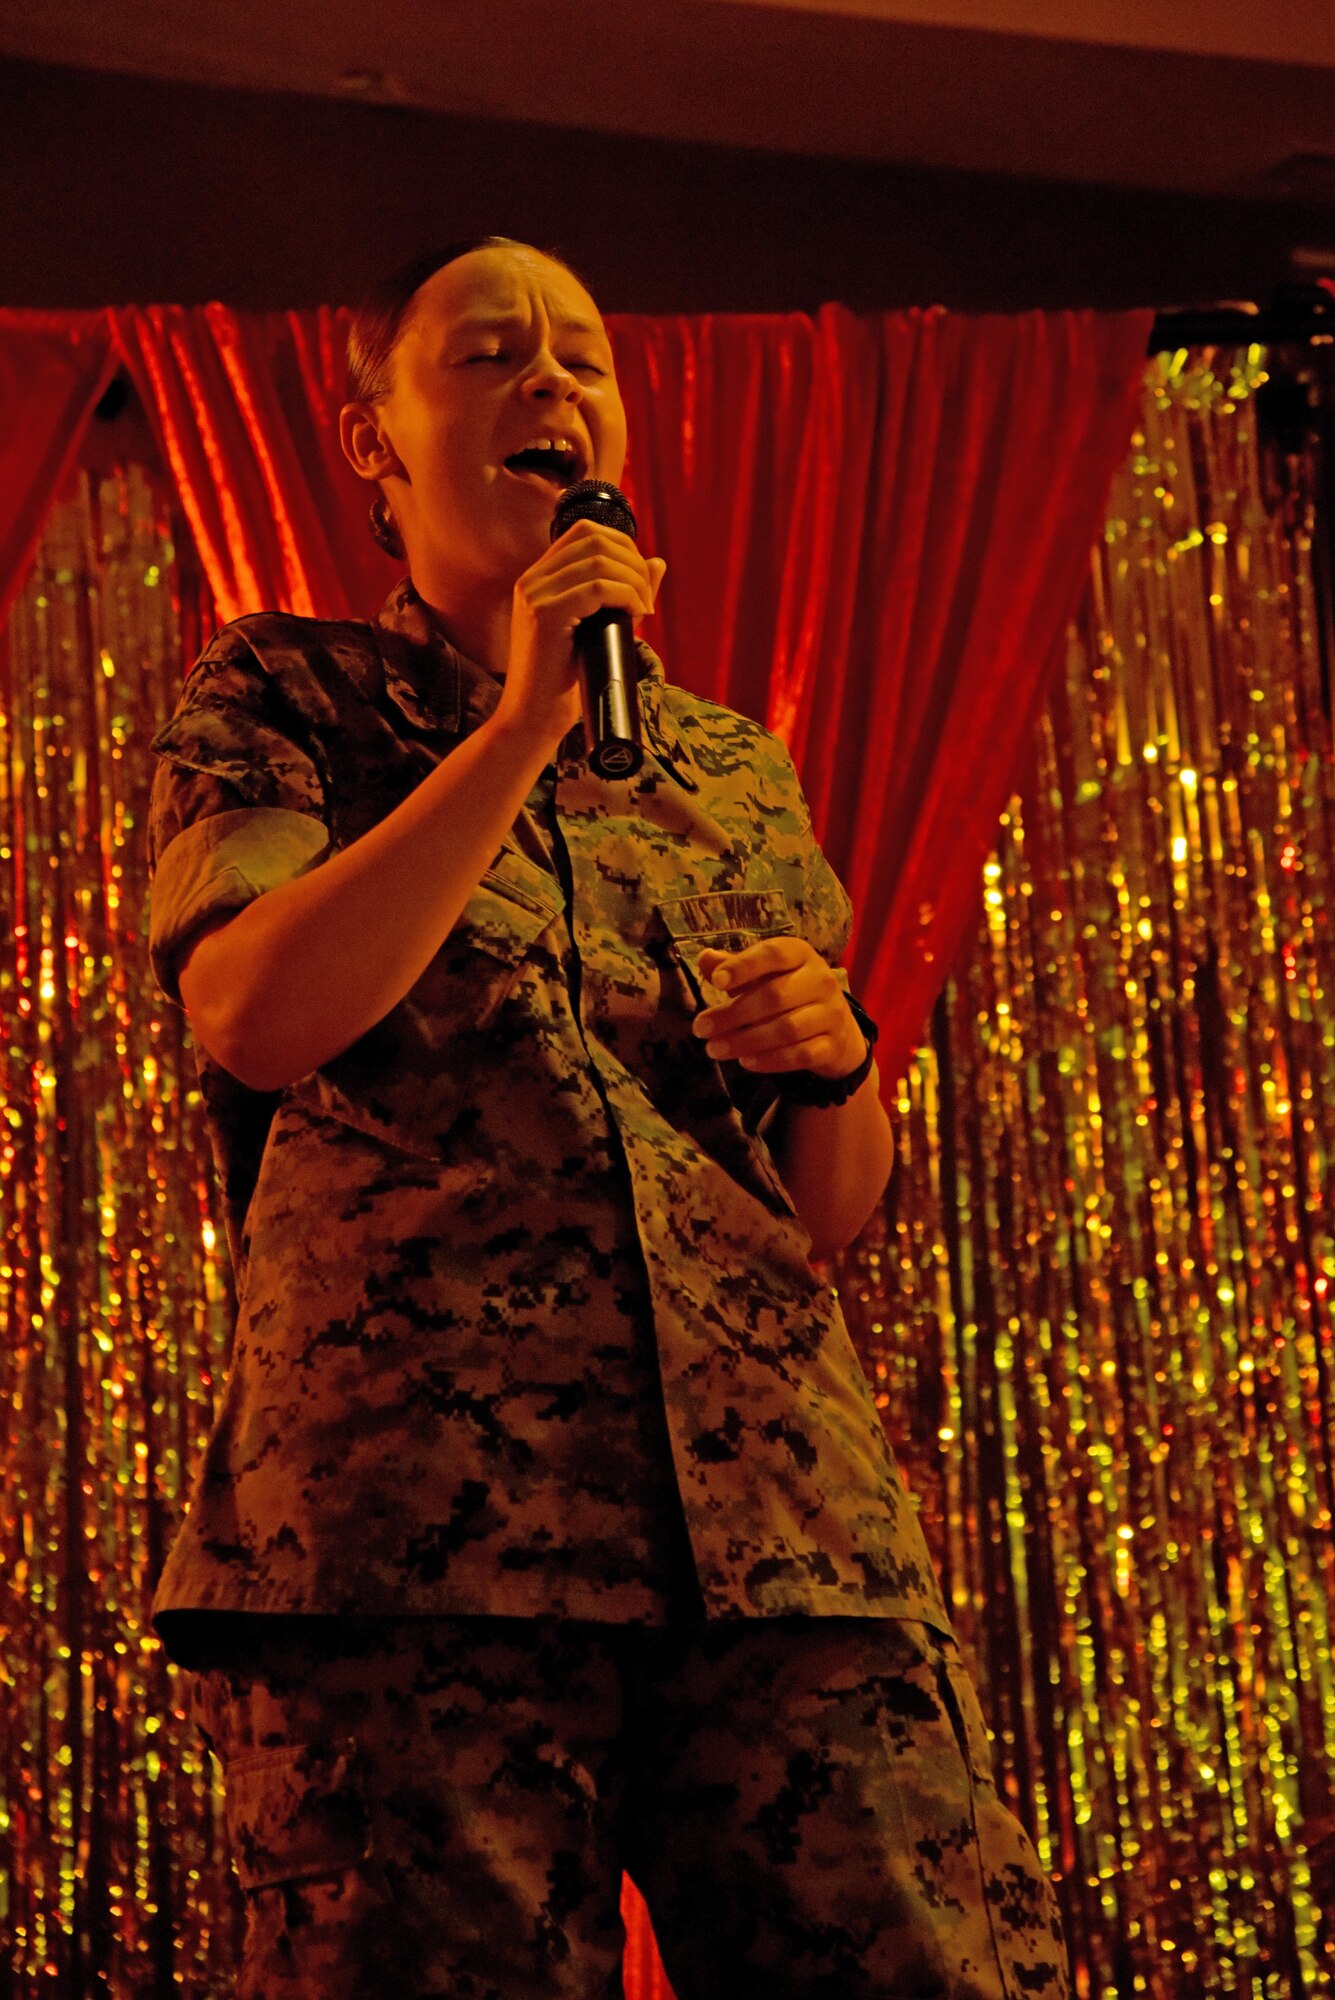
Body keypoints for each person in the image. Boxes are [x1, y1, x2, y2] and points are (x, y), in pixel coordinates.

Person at [146, 233, 1072, 1999]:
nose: (551, 383)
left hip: (786, 1539)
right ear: (377, 439)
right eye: (491, 353)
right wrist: (515, 727)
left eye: (579, 356)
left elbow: (819, 1214)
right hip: (426, 1557)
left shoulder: (722, 764)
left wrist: (839, 1062)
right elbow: (254, 1016)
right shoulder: (286, 700)